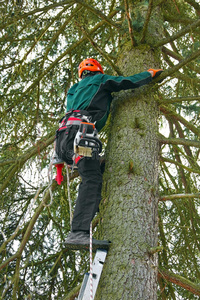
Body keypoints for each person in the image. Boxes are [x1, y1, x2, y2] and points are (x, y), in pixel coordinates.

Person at [64, 58, 163, 249]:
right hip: (82, 132)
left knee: (93, 174)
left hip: (66, 136)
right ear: (98, 70)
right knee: (91, 179)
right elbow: (127, 82)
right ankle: (78, 233)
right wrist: (149, 74)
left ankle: (91, 215)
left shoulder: (74, 90)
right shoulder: (100, 80)